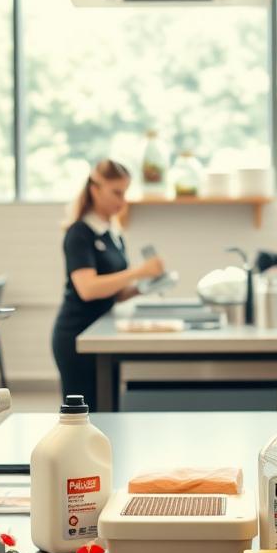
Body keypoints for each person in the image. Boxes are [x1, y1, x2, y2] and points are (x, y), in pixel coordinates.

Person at [51, 160, 165, 408]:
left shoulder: (114, 234)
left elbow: (114, 292)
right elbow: (88, 288)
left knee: (106, 406)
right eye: (116, 192)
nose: (122, 201)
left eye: (125, 193)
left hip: (103, 333)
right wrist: (139, 271)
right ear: (95, 189)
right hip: (77, 335)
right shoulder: (79, 233)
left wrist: (144, 285)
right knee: (86, 412)